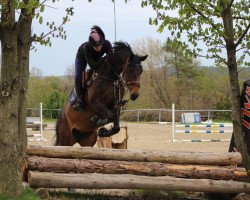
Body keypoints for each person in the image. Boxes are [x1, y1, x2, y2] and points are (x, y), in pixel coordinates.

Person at [73, 25, 112, 111]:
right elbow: (93, 65)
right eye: (95, 46)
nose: (98, 48)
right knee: (78, 76)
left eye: (99, 45)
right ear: (91, 45)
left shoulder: (107, 44)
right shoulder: (86, 47)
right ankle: (80, 100)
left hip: (96, 59)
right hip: (82, 58)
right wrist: (104, 58)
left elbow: (111, 59)